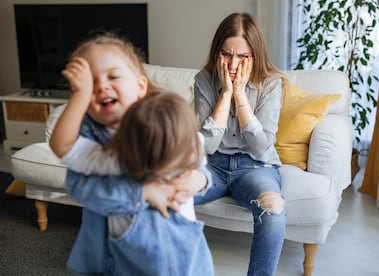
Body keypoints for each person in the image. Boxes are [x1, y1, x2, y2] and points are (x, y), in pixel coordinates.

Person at [49, 33, 213, 275]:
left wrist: (201, 179)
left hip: (184, 246)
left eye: (113, 76)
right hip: (124, 254)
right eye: (89, 84)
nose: (102, 86)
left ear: (140, 86)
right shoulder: (104, 149)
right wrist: (143, 192)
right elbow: (64, 149)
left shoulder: (169, 117)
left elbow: (197, 157)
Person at [193, 13, 287, 275]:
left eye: (242, 56)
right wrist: (225, 94)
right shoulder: (203, 80)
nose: (233, 64)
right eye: (226, 54)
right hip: (211, 166)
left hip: (256, 167)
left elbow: (260, 148)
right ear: (216, 52)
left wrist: (240, 96)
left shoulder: (271, 84)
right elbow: (207, 147)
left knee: (274, 211)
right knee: (164, 193)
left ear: (254, 56)